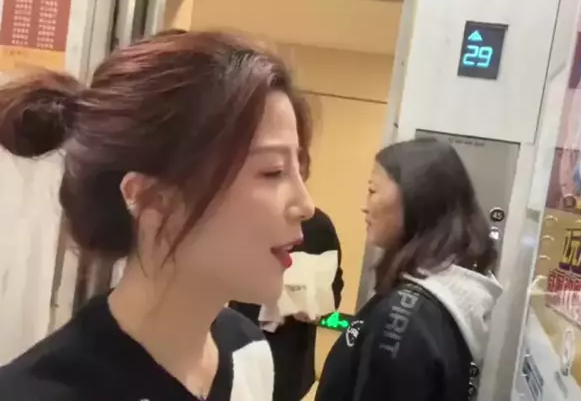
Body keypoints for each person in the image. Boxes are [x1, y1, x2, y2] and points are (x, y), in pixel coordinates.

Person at [0, 30, 314, 401]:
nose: (305, 205)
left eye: (300, 169)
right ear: (152, 199)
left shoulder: (247, 351)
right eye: (273, 171)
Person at [315, 138, 503, 401]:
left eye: (372, 190)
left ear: (417, 199)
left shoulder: (403, 320)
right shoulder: (430, 304)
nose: (365, 206)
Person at [231, 153, 344, 401]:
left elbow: (334, 287)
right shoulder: (246, 219)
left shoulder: (318, 226)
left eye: (296, 174)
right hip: (241, 340)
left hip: (290, 353)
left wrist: (316, 307)